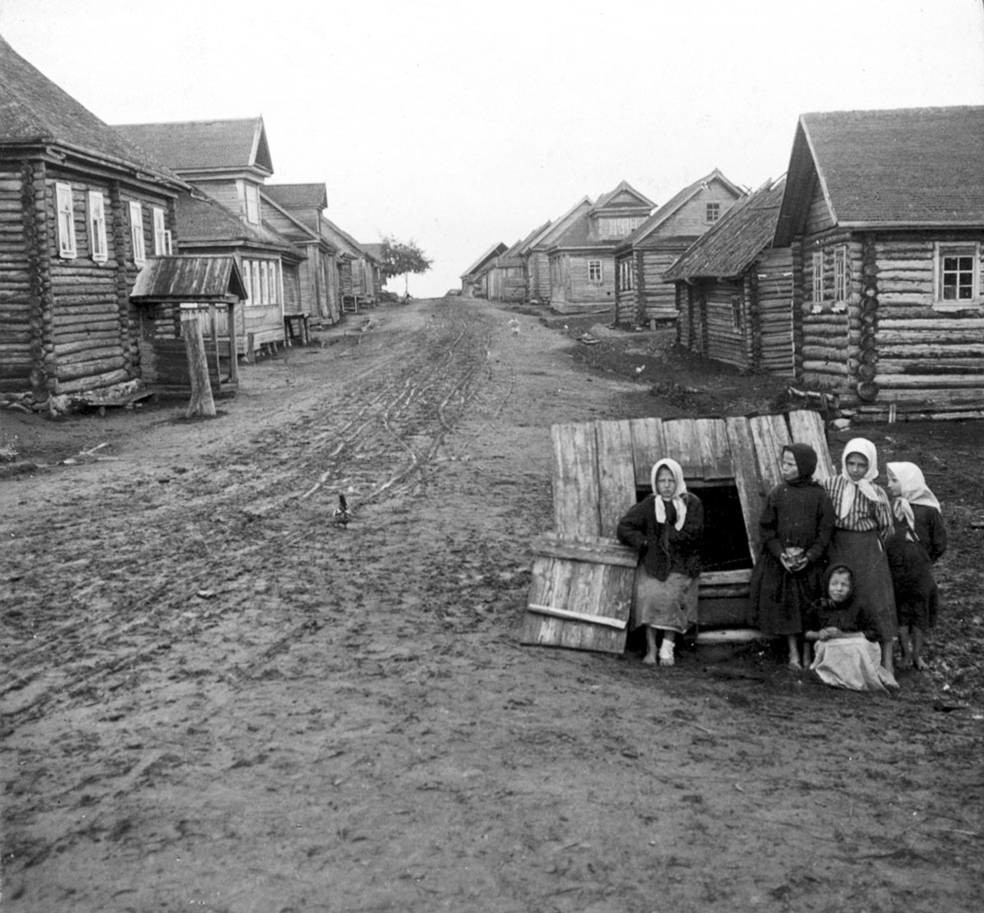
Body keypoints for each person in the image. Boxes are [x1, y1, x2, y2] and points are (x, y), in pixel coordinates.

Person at [748, 443, 834, 669]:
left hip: (810, 564)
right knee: (788, 605)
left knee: (810, 607)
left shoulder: (820, 496)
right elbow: (767, 529)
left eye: (790, 464)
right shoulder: (778, 493)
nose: (784, 468)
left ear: (804, 466)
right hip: (783, 564)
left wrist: (811, 556)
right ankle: (793, 653)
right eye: (783, 463)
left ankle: (808, 653)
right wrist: (781, 554)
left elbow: (825, 533)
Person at [821, 438, 897, 682]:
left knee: (875, 599)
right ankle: (842, 659)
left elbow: (886, 528)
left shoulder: (876, 492)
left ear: (870, 466)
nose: (855, 469)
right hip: (838, 546)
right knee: (840, 594)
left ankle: (886, 663)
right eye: (850, 463)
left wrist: (872, 549)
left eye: (861, 465)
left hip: (866, 550)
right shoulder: (830, 484)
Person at [616, 458, 703, 666]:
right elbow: (625, 527)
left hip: (682, 561)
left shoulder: (691, 503)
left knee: (673, 596)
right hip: (654, 563)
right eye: (661, 480)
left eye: (671, 480)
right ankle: (651, 648)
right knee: (649, 595)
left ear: (678, 480)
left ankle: (667, 646)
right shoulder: (649, 504)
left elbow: (694, 534)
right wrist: (645, 542)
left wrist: (667, 536)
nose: (666, 485)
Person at [885, 462, 947, 671]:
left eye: (894, 480)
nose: (889, 485)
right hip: (897, 570)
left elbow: (939, 542)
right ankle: (905, 653)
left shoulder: (929, 511)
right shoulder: (892, 507)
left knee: (920, 612)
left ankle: (918, 655)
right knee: (901, 612)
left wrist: (923, 558)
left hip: (920, 571)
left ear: (908, 482)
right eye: (889, 480)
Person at [805, 564, 894, 692]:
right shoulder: (820, 606)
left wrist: (843, 635)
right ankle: (833, 677)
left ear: (851, 587)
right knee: (825, 645)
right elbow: (806, 633)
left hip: (857, 647)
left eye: (844, 585)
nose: (839, 589)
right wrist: (819, 634)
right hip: (831, 648)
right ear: (827, 585)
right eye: (834, 584)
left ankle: (857, 680)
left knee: (858, 646)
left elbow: (874, 634)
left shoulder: (861, 605)